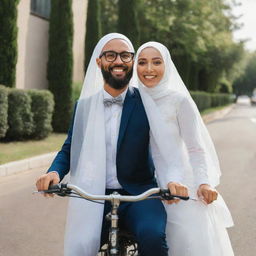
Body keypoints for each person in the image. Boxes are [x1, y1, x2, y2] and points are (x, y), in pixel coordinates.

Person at [36, 33, 187, 256]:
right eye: (110, 55)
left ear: (132, 62)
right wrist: (54, 173)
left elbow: (168, 150)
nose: (118, 61)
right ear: (99, 61)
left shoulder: (148, 103)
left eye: (125, 56)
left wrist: (175, 179)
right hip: (94, 196)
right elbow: (70, 147)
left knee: (153, 236)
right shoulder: (84, 106)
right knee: (81, 245)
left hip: (140, 194)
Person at [133, 41, 234, 256]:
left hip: (181, 183)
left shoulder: (178, 101)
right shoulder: (132, 100)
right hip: (145, 185)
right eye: (142, 62)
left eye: (156, 62)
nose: (149, 69)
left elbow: (196, 148)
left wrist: (204, 182)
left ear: (167, 65)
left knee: (187, 243)